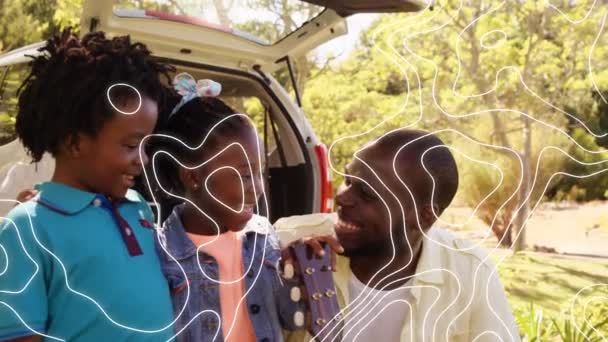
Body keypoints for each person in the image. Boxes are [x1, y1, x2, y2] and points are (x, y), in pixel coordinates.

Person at [0, 30, 176, 341]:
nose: (143, 160)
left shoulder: (138, 208)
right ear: (74, 143)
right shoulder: (27, 229)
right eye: (131, 145)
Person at [149, 73, 341, 342]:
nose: (258, 187)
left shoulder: (263, 237)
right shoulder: (162, 253)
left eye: (259, 172)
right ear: (192, 177)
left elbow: (292, 319)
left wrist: (300, 274)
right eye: (244, 174)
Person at [285, 128, 519, 342]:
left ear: (422, 217)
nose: (343, 197)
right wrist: (275, 278)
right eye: (348, 180)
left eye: (366, 192)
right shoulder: (290, 243)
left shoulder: (470, 273)